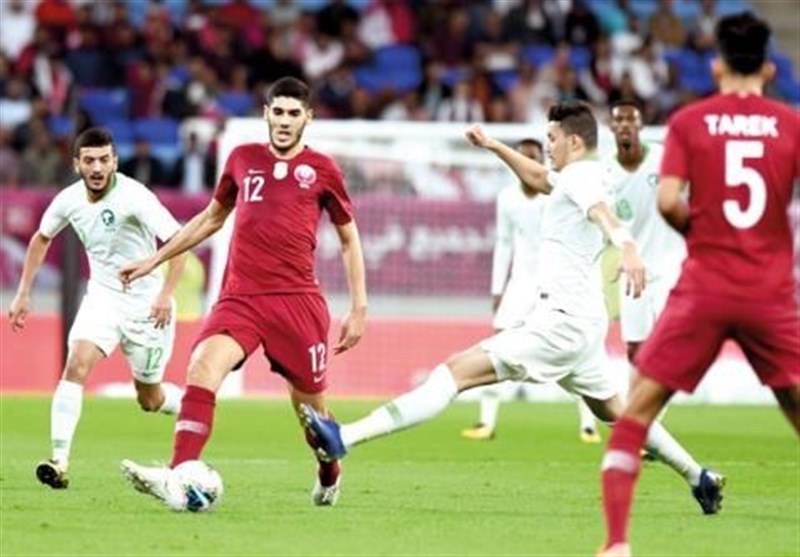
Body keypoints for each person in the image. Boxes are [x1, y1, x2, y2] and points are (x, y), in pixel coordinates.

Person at [301, 101, 722, 516]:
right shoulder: (586, 173)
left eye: (552, 138)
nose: (547, 145)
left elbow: (602, 214)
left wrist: (628, 247)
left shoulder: (582, 179)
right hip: (583, 324)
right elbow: (539, 176)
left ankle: (345, 438)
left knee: (453, 373)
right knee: (618, 411)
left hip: (560, 324)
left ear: (574, 142)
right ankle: (698, 475)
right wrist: (494, 146)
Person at [598, 13, 800, 557]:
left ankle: (616, 544)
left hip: (705, 287)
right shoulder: (790, 124)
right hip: (769, 292)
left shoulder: (690, 122)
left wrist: (706, 233)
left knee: (634, 415)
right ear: (769, 68)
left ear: (715, 67)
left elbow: (668, 201)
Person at [117, 77, 368, 507]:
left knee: (313, 418)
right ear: (266, 113)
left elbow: (349, 239)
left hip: (297, 302)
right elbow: (211, 218)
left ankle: (329, 470)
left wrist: (359, 306)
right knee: (202, 368)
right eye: (278, 111)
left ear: (308, 118)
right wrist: (154, 259)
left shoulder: (323, 169)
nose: (284, 121)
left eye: (293, 113)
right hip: (241, 298)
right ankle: (180, 473)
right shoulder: (242, 158)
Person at [7, 127, 187, 489]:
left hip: (146, 306)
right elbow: (41, 238)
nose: (97, 167)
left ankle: (191, 405)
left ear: (115, 162)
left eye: (104, 159)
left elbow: (179, 241)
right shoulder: (69, 199)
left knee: (149, 399)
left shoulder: (136, 196)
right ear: (77, 164)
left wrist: (165, 295)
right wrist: (23, 292)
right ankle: (59, 461)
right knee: (75, 364)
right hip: (103, 298)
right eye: (89, 160)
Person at [461, 138, 600, 443]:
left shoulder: (557, 196)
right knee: (495, 346)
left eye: (534, 158)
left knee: (573, 353)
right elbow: (504, 243)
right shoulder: (507, 198)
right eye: (523, 157)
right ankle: (486, 421)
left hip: (554, 284)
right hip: (520, 284)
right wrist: (497, 287)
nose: (528, 164)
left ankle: (588, 424)